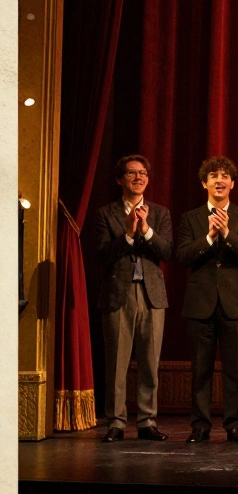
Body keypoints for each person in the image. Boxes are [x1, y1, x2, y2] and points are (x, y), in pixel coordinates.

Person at [93, 155, 173, 443]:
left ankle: (147, 421)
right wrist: (128, 233)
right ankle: (115, 422)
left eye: (142, 173)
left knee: (150, 363)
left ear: (148, 179)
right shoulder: (106, 213)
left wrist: (146, 230)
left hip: (151, 295)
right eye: (131, 173)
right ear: (120, 179)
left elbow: (167, 252)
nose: (138, 178)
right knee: (116, 362)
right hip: (118, 294)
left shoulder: (160, 213)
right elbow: (101, 255)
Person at [175, 156, 238, 444]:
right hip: (200, 303)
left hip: (235, 304)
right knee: (201, 370)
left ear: (232, 184)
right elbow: (182, 256)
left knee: (235, 371)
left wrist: (227, 234)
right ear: (204, 183)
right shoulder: (190, 218)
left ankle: (235, 425)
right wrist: (209, 237)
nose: (219, 180)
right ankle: (200, 426)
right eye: (213, 176)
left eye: (225, 176)